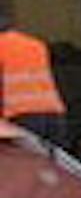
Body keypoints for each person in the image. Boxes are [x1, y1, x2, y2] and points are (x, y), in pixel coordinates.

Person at [0, 9, 69, 150]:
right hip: (53, 115)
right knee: (52, 167)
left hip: (20, 119)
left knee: (22, 167)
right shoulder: (37, 45)